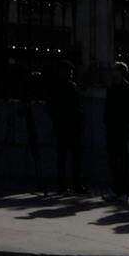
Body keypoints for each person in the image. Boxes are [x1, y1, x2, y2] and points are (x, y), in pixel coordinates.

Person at [103, 61, 129, 203]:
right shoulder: (112, 87)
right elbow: (107, 107)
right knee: (113, 161)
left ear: (122, 72)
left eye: (116, 70)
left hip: (122, 128)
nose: (113, 72)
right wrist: (107, 121)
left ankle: (124, 191)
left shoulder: (128, 88)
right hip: (112, 128)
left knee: (123, 161)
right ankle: (115, 190)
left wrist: (122, 120)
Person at [48, 63, 87, 194]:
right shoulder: (69, 87)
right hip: (69, 126)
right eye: (68, 71)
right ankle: (73, 184)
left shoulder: (59, 86)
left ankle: (65, 185)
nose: (70, 74)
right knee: (71, 157)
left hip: (65, 126)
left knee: (65, 157)